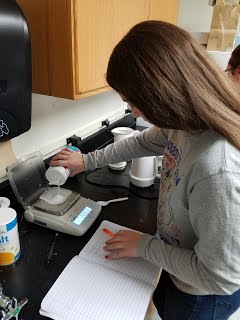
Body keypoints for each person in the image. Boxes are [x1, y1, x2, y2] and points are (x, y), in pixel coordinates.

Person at [50, 21, 240, 320]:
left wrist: (145, 246)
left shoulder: (218, 170)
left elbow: (221, 277)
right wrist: (86, 161)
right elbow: (142, 142)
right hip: (176, 262)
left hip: (202, 296)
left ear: (164, 93)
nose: (133, 112)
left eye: (134, 102)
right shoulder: (185, 123)